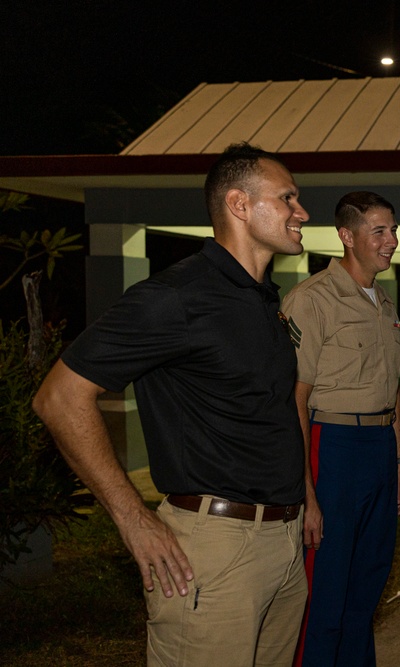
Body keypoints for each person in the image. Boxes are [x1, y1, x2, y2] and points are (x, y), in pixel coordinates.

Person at [32, 142, 311, 666]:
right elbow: (59, 397)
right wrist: (133, 519)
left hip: (284, 545)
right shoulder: (176, 297)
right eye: (289, 198)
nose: (303, 212)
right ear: (239, 204)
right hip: (214, 550)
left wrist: (304, 502)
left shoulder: (263, 300)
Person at [281, 191, 400, 666]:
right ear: (346, 235)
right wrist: (307, 494)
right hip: (331, 446)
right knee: (326, 590)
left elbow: (391, 387)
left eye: (393, 229)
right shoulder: (311, 300)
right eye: (379, 230)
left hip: (379, 448)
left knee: (368, 583)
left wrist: (399, 462)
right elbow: (294, 401)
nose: (392, 240)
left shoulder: (383, 302)